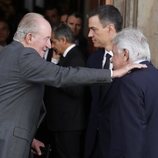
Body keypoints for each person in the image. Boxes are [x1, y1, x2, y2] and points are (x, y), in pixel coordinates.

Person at [0, 12, 145, 158]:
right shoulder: (24, 56)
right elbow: (62, 75)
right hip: (10, 140)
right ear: (29, 37)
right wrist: (113, 73)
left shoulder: (8, 53)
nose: (49, 45)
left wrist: (29, 139)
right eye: (46, 39)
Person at [103, 28, 158, 158]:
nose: (111, 60)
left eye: (114, 54)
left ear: (125, 54)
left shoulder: (129, 83)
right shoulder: (155, 75)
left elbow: (129, 136)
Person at [43, 23, 91, 158]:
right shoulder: (65, 56)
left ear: (63, 40)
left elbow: (77, 90)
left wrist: (58, 76)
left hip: (69, 125)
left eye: (53, 41)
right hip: (61, 123)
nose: (51, 46)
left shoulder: (76, 58)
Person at [85, 5, 123, 158]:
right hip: (93, 144)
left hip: (118, 145)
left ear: (110, 29)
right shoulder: (92, 59)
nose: (89, 34)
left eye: (94, 29)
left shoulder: (130, 61)